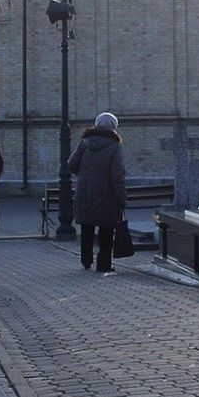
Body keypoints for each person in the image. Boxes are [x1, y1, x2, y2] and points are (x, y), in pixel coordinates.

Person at [68, 112, 127, 275]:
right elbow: (118, 175)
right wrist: (122, 198)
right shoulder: (114, 146)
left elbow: (71, 164)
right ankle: (104, 264)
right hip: (105, 195)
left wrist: (83, 176)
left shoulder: (85, 142)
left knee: (86, 227)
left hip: (83, 193)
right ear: (114, 127)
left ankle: (86, 261)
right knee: (106, 230)